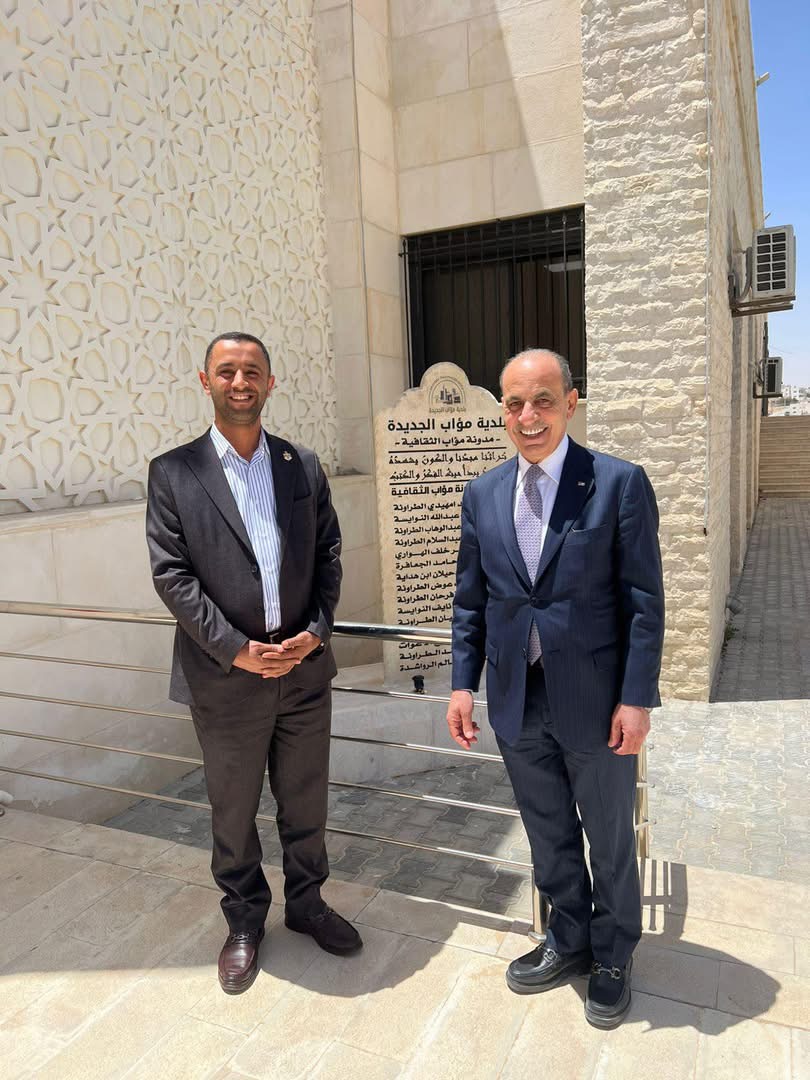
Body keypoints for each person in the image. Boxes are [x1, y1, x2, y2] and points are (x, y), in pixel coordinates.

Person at [446, 349, 664, 1028]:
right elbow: (470, 601)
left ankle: (613, 954)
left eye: (543, 400)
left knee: (610, 837)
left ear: (571, 402)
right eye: (514, 403)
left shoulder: (617, 483)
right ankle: (568, 939)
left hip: (597, 703)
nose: (528, 416)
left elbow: (644, 604)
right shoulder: (482, 494)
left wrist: (636, 699)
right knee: (547, 833)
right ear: (502, 412)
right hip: (516, 699)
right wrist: (462, 685)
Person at [146, 331, 361, 995]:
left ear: (271, 383)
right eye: (227, 371)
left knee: (306, 801)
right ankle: (244, 920)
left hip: (302, 671)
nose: (240, 382)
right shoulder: (173, 472)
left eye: (252, 371)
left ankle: (307, 904)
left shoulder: (303, 465)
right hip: (224, 679)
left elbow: (328, 554)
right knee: (233, 811)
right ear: (205, 381)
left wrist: (316, 633)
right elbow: (172, 575)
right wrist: (237, 649)